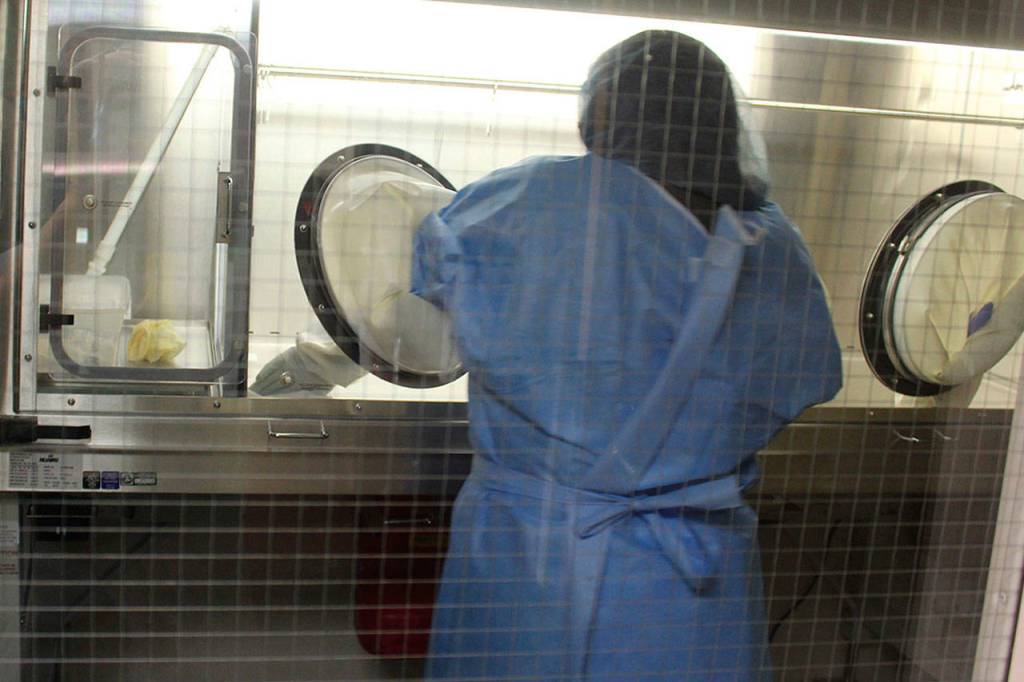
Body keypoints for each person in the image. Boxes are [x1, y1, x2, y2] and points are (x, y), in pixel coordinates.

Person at [410, 30, 842, 681]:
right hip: (688, 589)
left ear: (605, 111)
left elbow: (425, 268)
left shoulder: (527, 202)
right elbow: (804, 376)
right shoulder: (774, 245)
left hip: (532, 569)